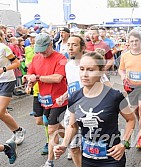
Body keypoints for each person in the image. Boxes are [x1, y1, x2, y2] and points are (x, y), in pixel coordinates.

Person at [53, 51, 135, 167]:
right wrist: (64, 144)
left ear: (101, 72)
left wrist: (124, 143)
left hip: (112, 158)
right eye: (82, 69)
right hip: (87, 158)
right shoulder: (75, 97)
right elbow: (72, 126)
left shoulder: (115, 96)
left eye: (90, 70)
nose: (84, 74)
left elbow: (131, 119)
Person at [24, 32, 68, 167]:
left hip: (58, 98)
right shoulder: (36, 58)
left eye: (44, 50)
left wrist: (37, 77)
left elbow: (57, 78)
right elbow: (30, 72)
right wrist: (29, 82)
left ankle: (49, 161)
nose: (41, 54)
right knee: (40, 121)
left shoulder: (61, 58)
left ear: (50, 45)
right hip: (42, 96)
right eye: (39, 51)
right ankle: (71, 137)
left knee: (51, 130)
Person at [55, 35, 86, 167]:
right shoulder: (68, 66)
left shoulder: (89, 65)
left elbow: (104, 86)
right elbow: (73, 86)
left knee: (93, 147)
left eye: (74, 45)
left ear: (82, 47)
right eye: (68, 45)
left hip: (89, 111)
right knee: (73, 148)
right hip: (72, 109)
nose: (70, 48)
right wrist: (64, 96)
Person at [0, 30, 26, 146]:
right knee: (3, 112)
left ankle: (19, 131)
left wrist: (3, 69)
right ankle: (17, 131)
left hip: (7, 80)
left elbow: (17, 63)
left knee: (0, 111)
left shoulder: (3, 48)